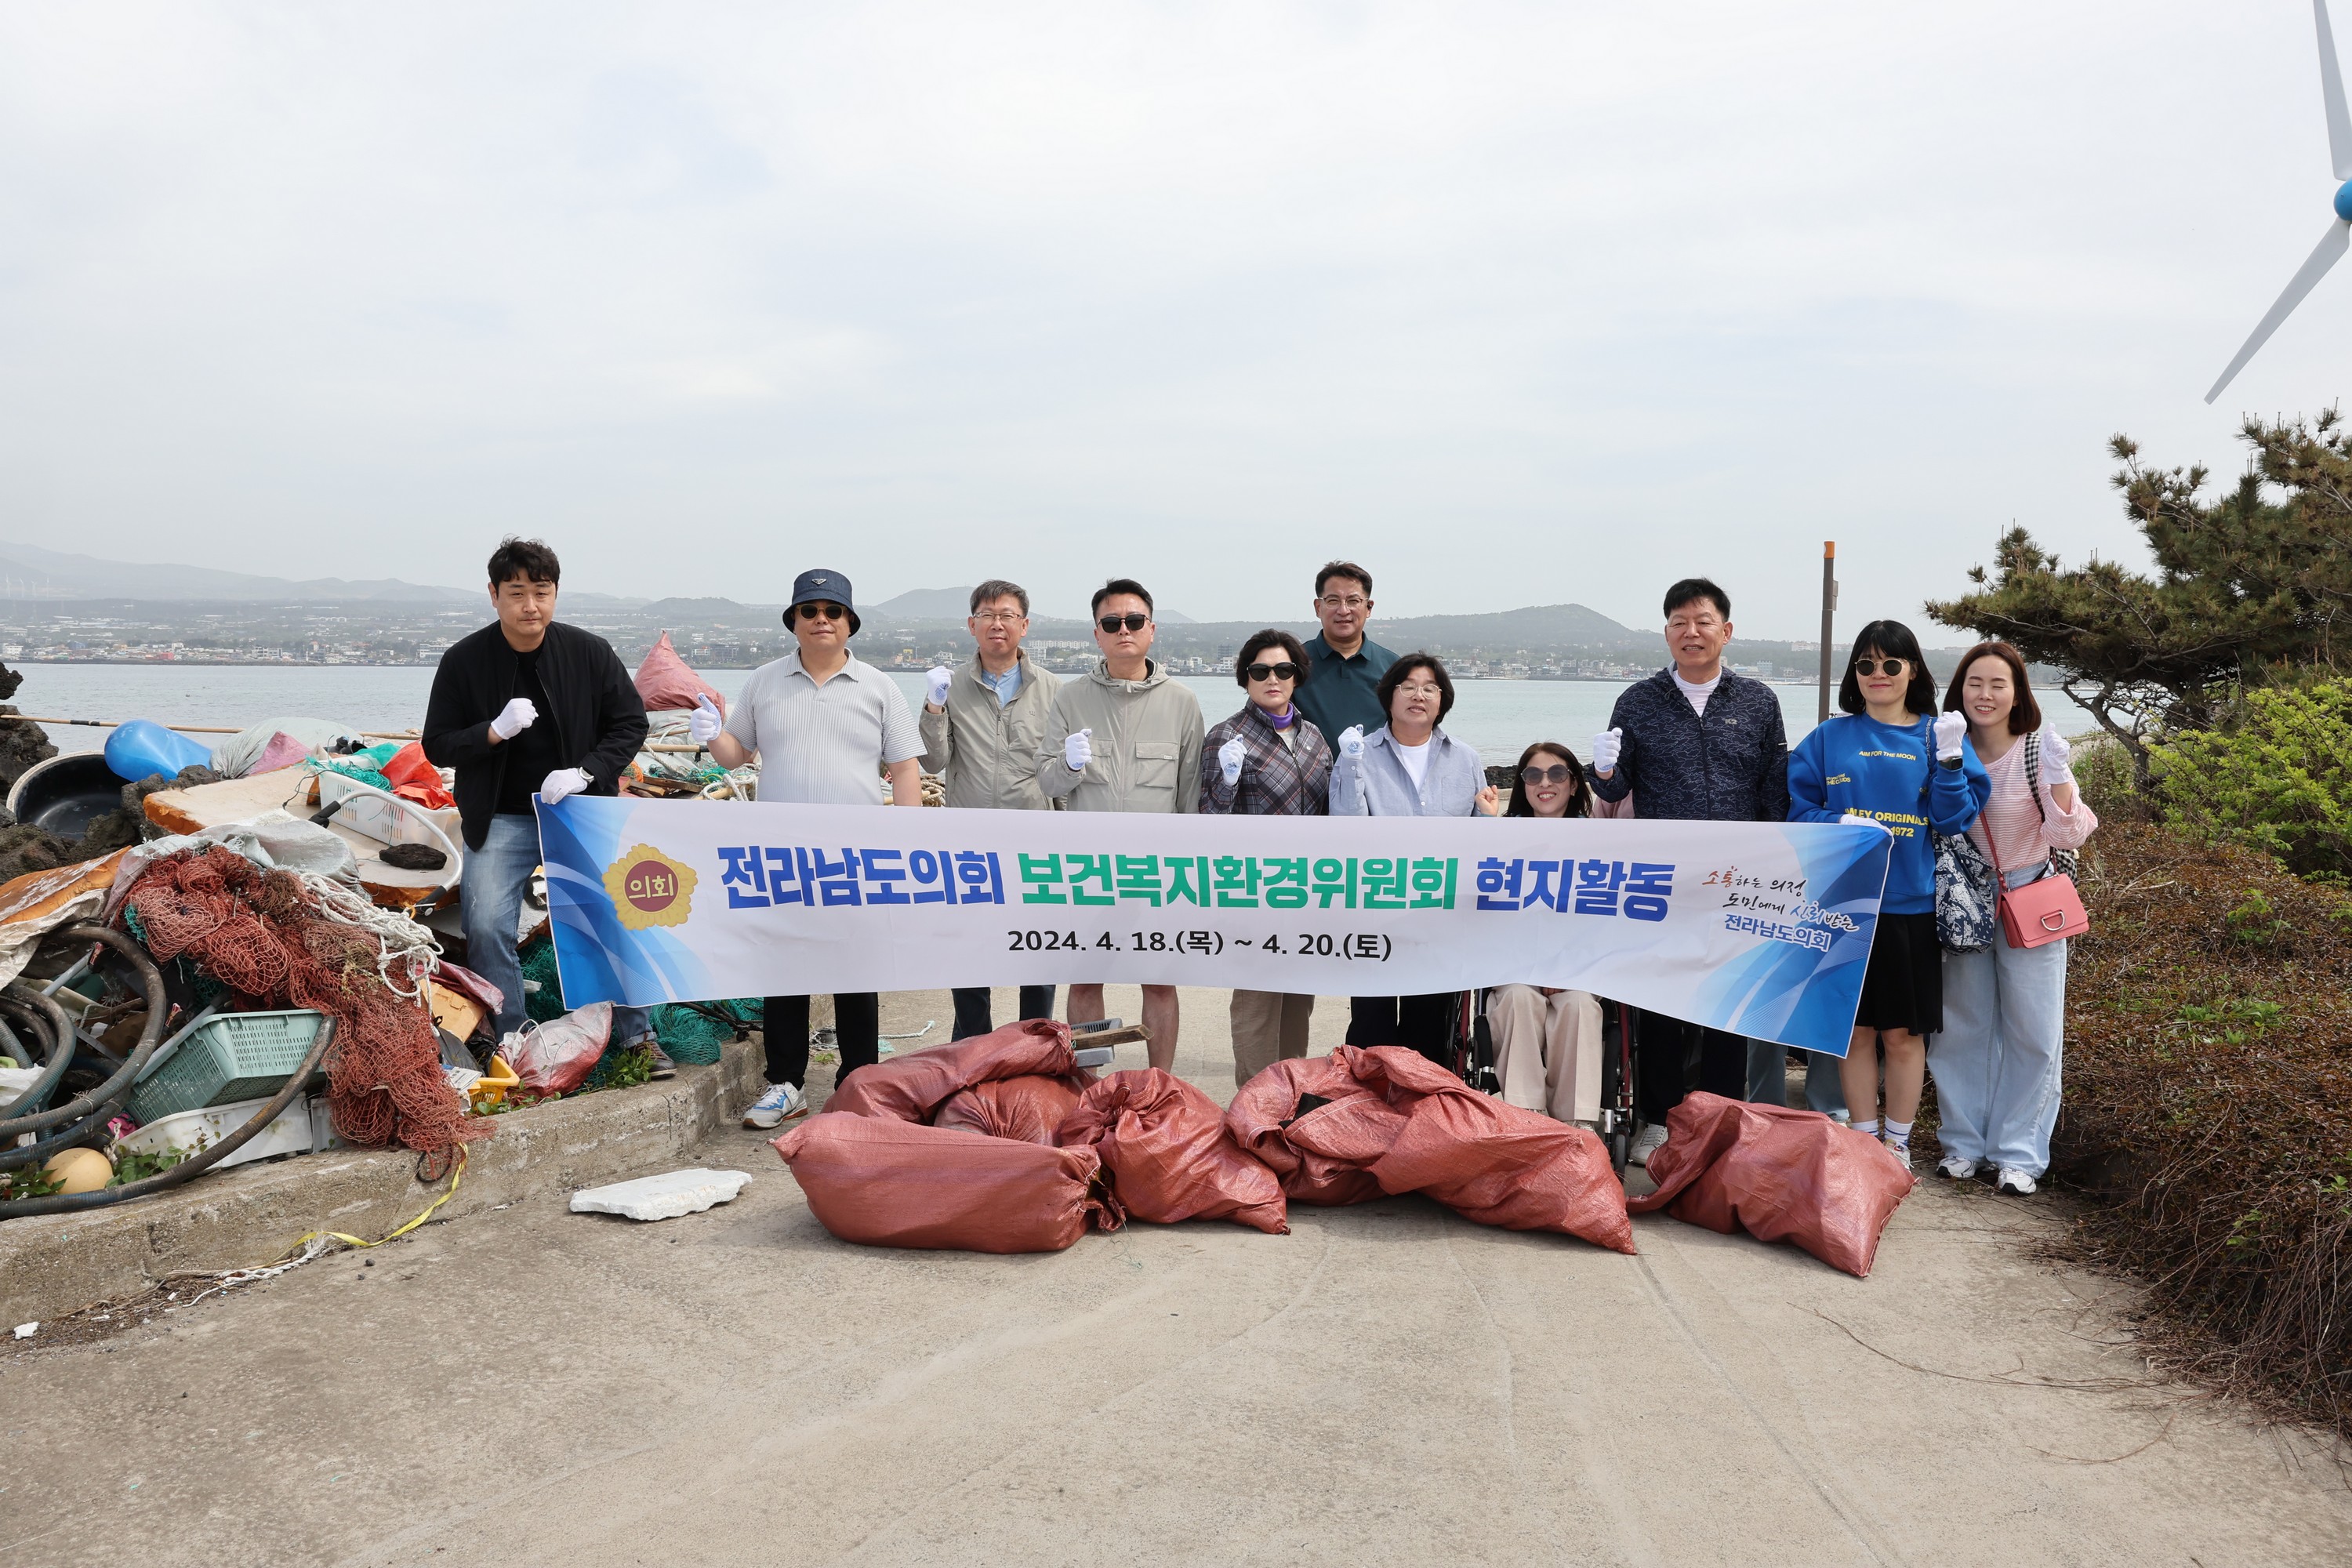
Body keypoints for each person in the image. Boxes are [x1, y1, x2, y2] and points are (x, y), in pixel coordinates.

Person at [1586, 576, 1812, 1165]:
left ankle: (1717, 1117)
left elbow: (1773, 790)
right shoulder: (1638, 701)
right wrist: (1601, 770)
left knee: (1728, 1003)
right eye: (1679, 622)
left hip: (1738, 879)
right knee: (1660, 1001)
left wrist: (1773, 868)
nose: (1692, 632)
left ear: (1726, 631)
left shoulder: (1759, 701)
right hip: (1664, 879)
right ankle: (1658, 1119)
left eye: (1703, 621)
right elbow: (1617, 784)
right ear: (1666, 633)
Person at [692, 570, 923, 1128]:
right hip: (783, 852)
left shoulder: (878, 686)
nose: (822, 619)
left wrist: (910, 841)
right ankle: (786, 1083)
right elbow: (736, 755)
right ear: (794, 621)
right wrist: (710, 732)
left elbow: (904, 767)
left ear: (849, 624)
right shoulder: (765, 682)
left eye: (833, 611)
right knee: (785, 968)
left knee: (855, 970)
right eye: (810, 610)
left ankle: (858, 1080)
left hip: (856, 853)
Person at [423, 538, 662, 1073]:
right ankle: (515, 1040)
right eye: (517, 592)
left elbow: (630, 723)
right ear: (494, 595)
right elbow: (436, 743)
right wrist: (490, 733)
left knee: (610, 921)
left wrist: (586, 771)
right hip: (502, 816)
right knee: (486, 927)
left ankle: (637, 1036)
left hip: (579, 814)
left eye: (542, 591)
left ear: (555, 594)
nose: (530, 604)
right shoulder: (464, 661)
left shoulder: (589, 652)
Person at [1787, 619, 1991, 1166]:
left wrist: (1949, 763)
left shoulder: (1937, 735)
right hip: (1843, 907)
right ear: (1855, 674)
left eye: (1891, 664)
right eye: (1866, 665)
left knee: (1902, 1036)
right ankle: (1862, 1139)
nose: (1878, 675)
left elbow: (1954, 819)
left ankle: (1896, 1145)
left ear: (1914, 671)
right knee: (1854, 1034)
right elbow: (1798, 812)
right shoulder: (1829, 738)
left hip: (1910, 906)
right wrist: (1839, 821)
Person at [1927, 642, 2097, 1196]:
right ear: (1959, 690)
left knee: (2035, 1032)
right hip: (1966, 901)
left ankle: (2019, 1154)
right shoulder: (1945, 744)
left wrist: (2058, 774)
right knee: (1961, 1027)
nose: (1986, 694)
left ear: (2018, 693)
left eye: (1999, 684)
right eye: (1975, 683)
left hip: (2031, 896)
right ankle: (1962, 1145)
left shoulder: (2035, 750)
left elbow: (2069, 833)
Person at [1039, 578, 1204, 1069]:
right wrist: (1068, 765)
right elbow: (1048, 784)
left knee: (1158, 978)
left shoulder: (1183, 702)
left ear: (1152, 629)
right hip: (1088, 866)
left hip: (1159, 869)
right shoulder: (1071, 699)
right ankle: (1090, 1083)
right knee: (1086, 977)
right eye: (1112, 623)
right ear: (1097, 634)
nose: (1124, 630)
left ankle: (1159, 1085)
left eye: (1134, 621)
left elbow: (1191, 794)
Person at [1330, 652, 1500, 1065]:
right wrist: (1351, 767)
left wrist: (1492, 819)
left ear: (1443, 699)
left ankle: (1423, 1116)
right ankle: (1365, 1114)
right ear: (1389, 696)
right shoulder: (1359, 754)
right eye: (1407, 686)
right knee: (1372, 1027)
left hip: (1440, 914)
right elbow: (1345, 829)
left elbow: (1480, 841)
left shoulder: (1465, 759)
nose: (1418, 695)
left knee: (1429, 1028)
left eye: (1429, 687)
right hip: (1376, 911)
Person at [919, 579, 1063, 1040]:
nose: (996, 623)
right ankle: (972, 1047)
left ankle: (1034, 1044)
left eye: (1006, 615)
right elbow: (933, 761)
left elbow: (1062, 772)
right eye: (986, 615)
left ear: (1024, 626)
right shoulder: (951, 686)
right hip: (970, 837)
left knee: (1037, 950)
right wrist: (933, 708)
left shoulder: (1055, 689)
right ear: (971, 625)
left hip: (1036, 837)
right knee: (970, 948)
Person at [1200, 629, 1334, 1087]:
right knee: (1259, 999)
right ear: (1245, 678)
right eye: (1260, 671)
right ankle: (1254, 1099)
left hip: (1309, 886)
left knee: (1299, 997)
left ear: (1297, 676)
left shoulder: (1314, 736)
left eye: (1283, 669)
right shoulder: (1226, 735)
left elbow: (1331, 811)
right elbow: (1210, 816)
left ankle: (1291, 1094)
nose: (1272, 678)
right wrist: (1229, 779)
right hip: (1254, 887)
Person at [1486, 742, 1606, 1126]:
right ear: (1522, 785)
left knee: (1579, 1007)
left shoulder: (1604, 841)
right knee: (1518, 999)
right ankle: (1526, 1112)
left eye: (1557, 774)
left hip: (1578, 967)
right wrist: (1483, 826)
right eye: (1533, 775)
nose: (1545, 783)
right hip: (1516, 966)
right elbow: (1488, 916)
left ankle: (1578, 1120)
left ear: (1573, 784)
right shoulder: (1499, 839)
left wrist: (1564, 969)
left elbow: (1606, 920)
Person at [1292, 561, 1396, 747]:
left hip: (1374, 776)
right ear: (1318, 608)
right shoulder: (1292, 663)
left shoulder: (1393, 667)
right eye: (1333, 601)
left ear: (1369, 608)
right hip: (1308, 775)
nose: (1343, 610)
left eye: (1353, 601)